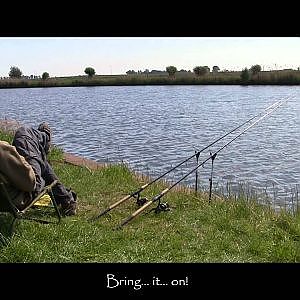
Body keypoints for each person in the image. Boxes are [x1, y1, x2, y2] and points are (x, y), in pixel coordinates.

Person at [12, 122, 77, 216]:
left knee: (31, 147)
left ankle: (66, 199)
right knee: (23, 132)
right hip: (29, 188)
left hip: (17, 187)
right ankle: (45, 138)